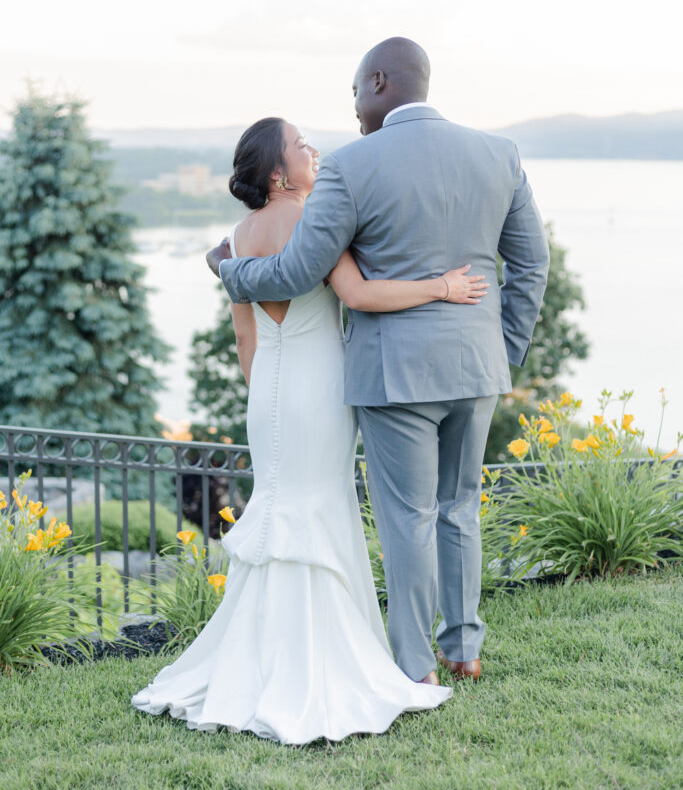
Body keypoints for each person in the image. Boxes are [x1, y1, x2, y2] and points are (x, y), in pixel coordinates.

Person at [131, 114, 489, 744]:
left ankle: (261, 659)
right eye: (301, 146)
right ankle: (322, 662)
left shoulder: (238, 237)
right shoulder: (310, 219)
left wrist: (266, 393)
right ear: (277, 172)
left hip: (267, 387)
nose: (312, 151)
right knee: (320, 505)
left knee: (276, 506)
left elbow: (246, 337)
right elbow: (358, 294)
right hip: (321, 387)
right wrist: (442, 286)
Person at [214, 38, 550, 688]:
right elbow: (530, 266)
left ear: (376, 82)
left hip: (394, 375)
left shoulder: (352, 164)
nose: (353, 111)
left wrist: (231, 272)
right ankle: (465, 649)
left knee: (408, 517)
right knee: (459, 506)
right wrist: (500, 351)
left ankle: (415, 667)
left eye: (353, 94)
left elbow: (300, 270)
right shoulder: (498, 154)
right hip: (475, 367)